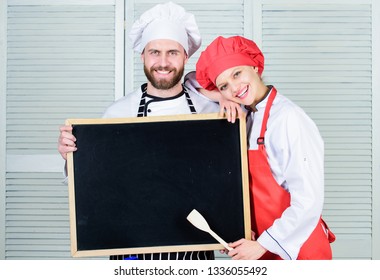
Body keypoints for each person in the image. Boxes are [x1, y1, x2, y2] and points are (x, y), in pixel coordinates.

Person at [58, 2, 239, 260]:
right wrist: (71, 157)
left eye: (172, 53)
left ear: (186, 57)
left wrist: (231, 225)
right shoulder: (117, 114)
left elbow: (232, 179)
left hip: (193, 251)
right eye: (154, 52)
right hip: (132, 249)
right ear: (142, 55)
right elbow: (93, 184)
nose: (163, 62)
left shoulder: (214, 112)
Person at [195, 35, 336, 260]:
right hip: (262, 246)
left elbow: (309, 200)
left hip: (299, 251)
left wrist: (262, 244)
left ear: (254, 65)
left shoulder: (289, 118)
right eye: (224, 86)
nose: (235, 87)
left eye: (237, 74)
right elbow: (189, 82)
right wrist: (241, 228)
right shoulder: (245, 118)